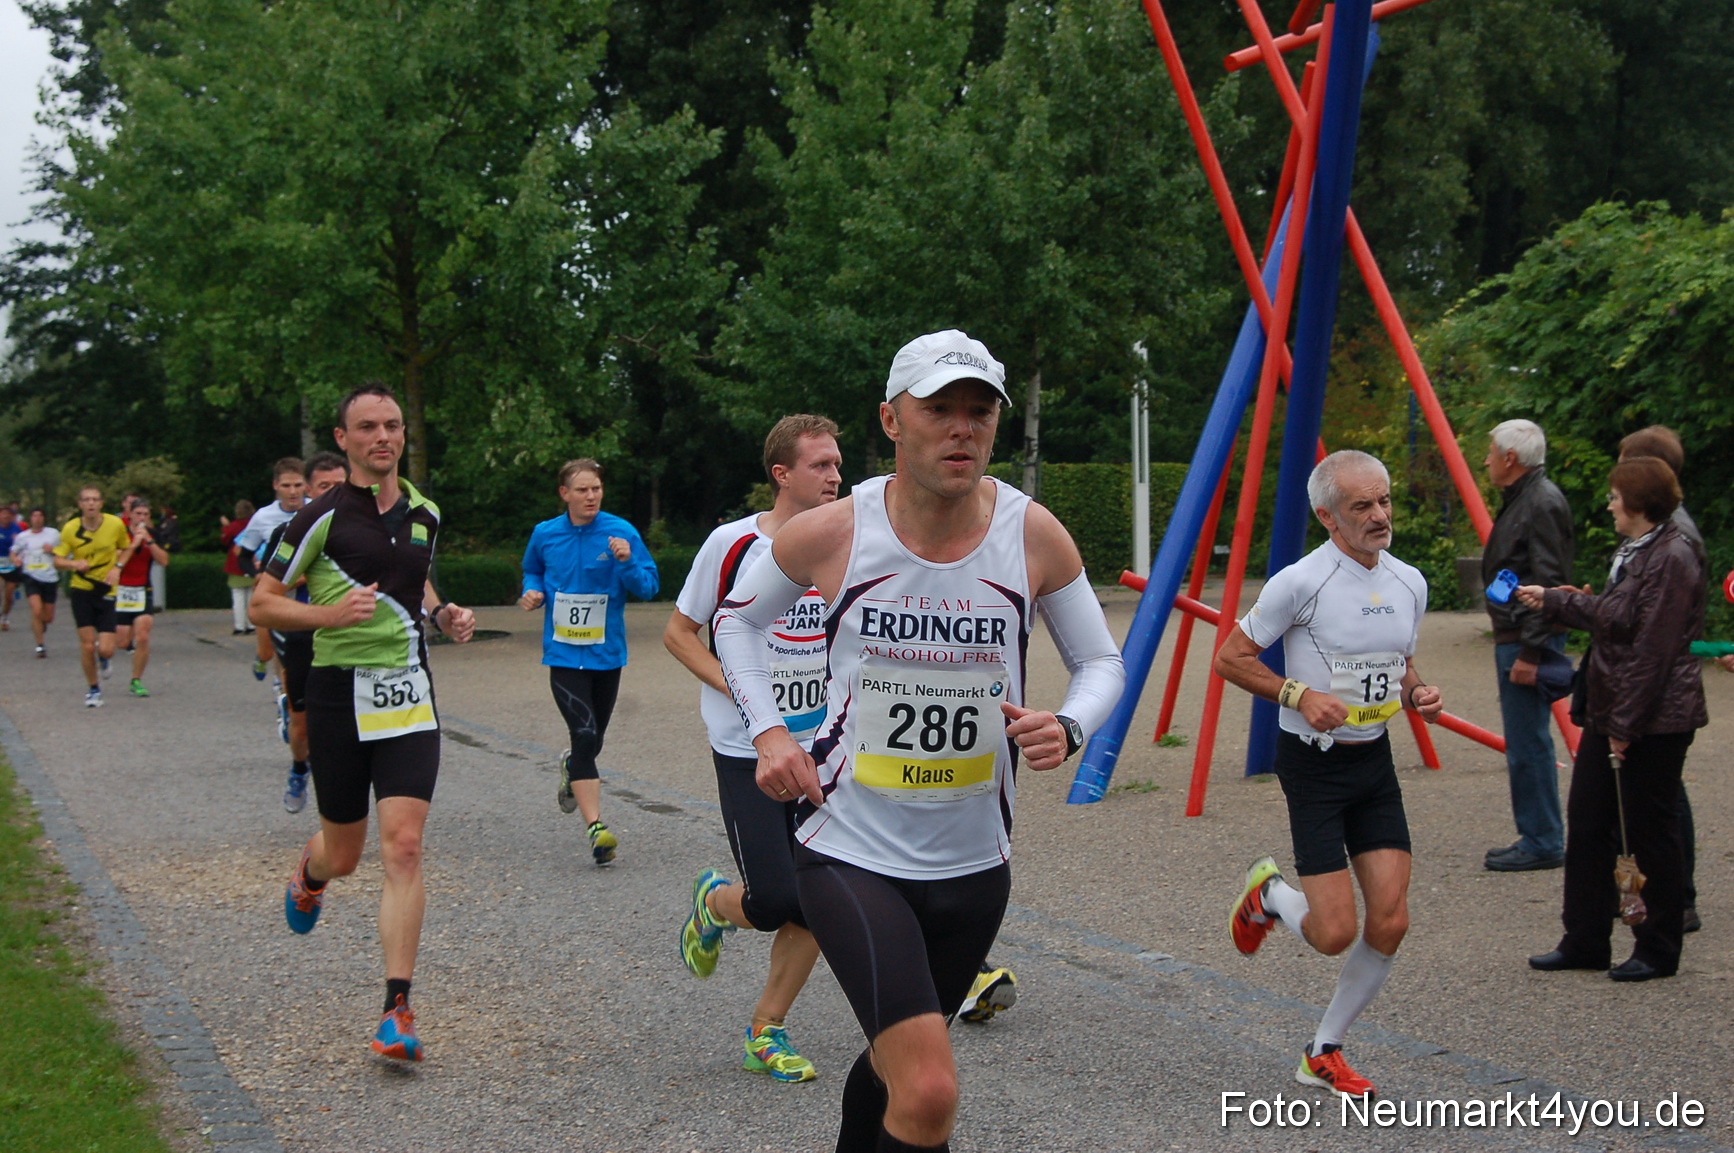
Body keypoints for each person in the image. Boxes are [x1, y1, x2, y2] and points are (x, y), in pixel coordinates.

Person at [712, 330, 1125, 1151]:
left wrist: (1069, 723)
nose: (962, 427)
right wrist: (767, 734)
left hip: (975, 865)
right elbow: (735, 622)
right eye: (940, 409)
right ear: (892, 420)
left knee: (896, 1064)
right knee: (931, 1086)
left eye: (980, 411)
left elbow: (1102, 660)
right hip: (850, 850)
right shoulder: (835, 529)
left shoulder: (1032, 532)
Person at [252, 385, 476, 1061]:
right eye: (368, 427)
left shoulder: (425, 511)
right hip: (337, 696)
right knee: (345, 853)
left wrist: (443, 614)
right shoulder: (318, 517)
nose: (384, 436)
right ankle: (312, 871)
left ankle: (396, 1009)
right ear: (344, 438)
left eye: (393, 425)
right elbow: (264, 602)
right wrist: (326, 615)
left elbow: (412, 581)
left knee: (403, 845)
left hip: (409, 695)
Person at [1216, 449, 1443, 1101]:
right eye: (1361, 506)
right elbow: (1230, 657)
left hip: (1373, 758)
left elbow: (1399, 662)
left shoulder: (1409, 582)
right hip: (1313, 766)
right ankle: (1271, 896)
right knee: (1333, 931)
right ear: (1327, 516)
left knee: (1391, 920)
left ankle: (1324, 1048)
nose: (1379, 516)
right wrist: (1297, 694)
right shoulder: (1301, 582)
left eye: (1385, 501)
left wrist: (1420, 691)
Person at [664, 414, 842, 1084]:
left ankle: (766, 1029)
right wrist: (741, 691)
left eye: (838, 463)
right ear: (782, 474)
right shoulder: (731, 545)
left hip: (823, 745)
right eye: (820, 465)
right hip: (748, 748)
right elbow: (681, 633)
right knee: (774, 899)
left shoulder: (845, 542)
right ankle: (715, 901)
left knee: (824, 890)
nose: (834, 475)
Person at [1519, 456, 1706, 982]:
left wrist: (1625, 725)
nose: (1609, 504)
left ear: (1639, 503)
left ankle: (1658, 946)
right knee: (1590, 820)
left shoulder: (1674, 556)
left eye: (1616, 496)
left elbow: (1655, 650)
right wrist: (1556, 600)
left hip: (1655, 718)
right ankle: (1584, 937)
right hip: (1613, 706)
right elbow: (1617, 617)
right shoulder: (1638, 549)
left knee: (1650, 832)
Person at [518, 459, 658, 865]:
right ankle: (597, 828)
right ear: (564, 494)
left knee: (592, 741)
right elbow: (532, 570)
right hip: (562, 655)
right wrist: (531, 592)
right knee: (583, 734)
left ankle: (571, 768)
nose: (591, 496)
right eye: (582, 490)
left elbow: (648, 588)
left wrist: (627, 561)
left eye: (596, 488)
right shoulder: (545, 534)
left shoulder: (620, 532)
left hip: (606, 655)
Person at [1615, 426, 1704, 933]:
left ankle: (1676, 901)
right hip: (1649, 691)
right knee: (1657, 801)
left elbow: (1658, 640)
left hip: (1660, 699)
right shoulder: (1651, 538)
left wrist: (1627, 715)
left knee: (1662, 804)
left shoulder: (1673, 543)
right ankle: (1667, 897)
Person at [1480, 419, 1574, 872]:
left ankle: (1542, 838)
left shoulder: (1539, 502)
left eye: (1491, 453)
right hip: (1518, 632)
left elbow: (1551, 581)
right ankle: (1538, 833)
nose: (1487, 461)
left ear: (1510, 459)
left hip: (1525, 636)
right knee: (1524, 740)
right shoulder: (1527, 498)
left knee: (1528, 742)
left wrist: (1532, 653)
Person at [262, 451, 349, 813]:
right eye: (324, 487)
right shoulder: (292, 531)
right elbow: (265, 592)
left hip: (351, 637)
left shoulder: (371, 529)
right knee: (303, 728)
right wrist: (307, 573)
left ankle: (345, 803)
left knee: (349, 724)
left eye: (339, 487)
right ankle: (299, 769)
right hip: (304, 634)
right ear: (311, 490)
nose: (332, 493)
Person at [52, 485, 130, 708]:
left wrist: (117, 567)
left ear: (101, 504)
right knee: (87, 646)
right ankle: (93, 689)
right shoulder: (70, 529)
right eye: (86, 500)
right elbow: (57, 560)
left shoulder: (115, 525)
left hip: (106, 589)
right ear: (80, 504)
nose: (91, 504)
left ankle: (104, 658)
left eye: (95, 500)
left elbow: (126, 548)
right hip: (81, 589)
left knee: (106, 648)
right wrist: (74, 563)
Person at [239, 459, 307, 679]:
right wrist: (257, 575)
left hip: (308, 590)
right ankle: (262, 659)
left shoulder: (317, 509)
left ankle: (284, 697)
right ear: (276, 486)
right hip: (276, 591)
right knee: (268, 651)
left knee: (292, 651)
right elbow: (244, 557)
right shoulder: (262, 517)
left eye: (298, 485)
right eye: (287, 486)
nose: (293, 491)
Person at [112, 499, 171, 698]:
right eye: (138, 514)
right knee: (121, 642)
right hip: (120, 590)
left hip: (142, 590)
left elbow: (164, 561)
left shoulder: (152, 535)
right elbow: (117, 559)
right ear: (130, 515)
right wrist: (134, 544)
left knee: (143, 636)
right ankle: (104, 653)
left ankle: (136, 679)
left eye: (146, 514)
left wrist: (149, 541)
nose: (142, 518)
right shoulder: (120, 534)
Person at [10, 507, 61, 657]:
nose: (37, 519)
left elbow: (65, 552)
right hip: (30, 576)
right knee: (36, 609)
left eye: (40, 516)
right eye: (34, 516)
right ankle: (40, 645)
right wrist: (16, 560)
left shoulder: (53, 534)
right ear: (30, 519)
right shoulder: (23, 536)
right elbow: (14, 552)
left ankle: (41, 623)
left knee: (48, 617)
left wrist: (52, 550)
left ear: (44, 518)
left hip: (50, 577)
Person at [222, 500, 257, 635]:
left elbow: (225, 540)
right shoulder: (254, 524)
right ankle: (251, 625)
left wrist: (225, 527)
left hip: (235, 564)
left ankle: (239, 626)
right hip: (252, 563)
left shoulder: (234, 526)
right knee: (251, 597)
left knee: (237, 597)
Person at [0, 503, 20, 630]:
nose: (5, 516)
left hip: (12, 565)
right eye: (3, 513)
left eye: (8, 514)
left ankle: (5, 617)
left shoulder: (16, 529)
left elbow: (24, 544)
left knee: (9, 595)